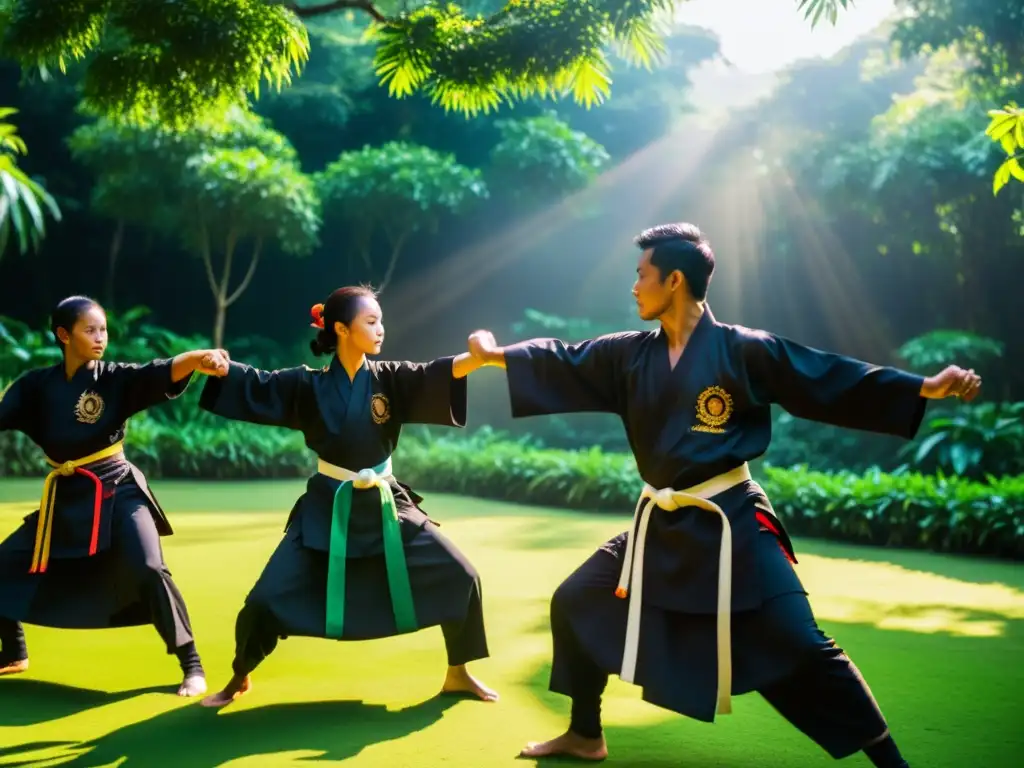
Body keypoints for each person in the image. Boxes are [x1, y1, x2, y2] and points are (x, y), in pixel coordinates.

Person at [466, 223, 981, 767]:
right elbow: (563, 358)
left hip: (732, 521)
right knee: (575, 599)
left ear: (675, 281)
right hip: (661, 524)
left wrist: (921, 387)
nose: (634, 286)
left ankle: (892, 764)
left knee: (801, 644)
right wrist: (497, 355)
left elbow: (826, 376)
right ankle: (585, 733)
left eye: (642, 275)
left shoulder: (744, 350)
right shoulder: (627, 355)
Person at [198, 285, 496, 708]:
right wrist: (220, 368)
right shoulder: (308, 385)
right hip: (327, 507)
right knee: (264, 600)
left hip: (385, 503)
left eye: (381, 321)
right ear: (341, 328)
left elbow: (438, 373)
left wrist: (478, 358)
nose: (381, 330)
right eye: (371, 322)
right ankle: (238, 676)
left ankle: (458, 673)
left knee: (461, 575)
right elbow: (259, 384)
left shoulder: (391, 378)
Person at [0, 295, 230, 696]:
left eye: (103, 329)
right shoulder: (35, 386)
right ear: (63, 335)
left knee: (148, 566)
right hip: (65, 498)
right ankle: (14, 651)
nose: (100, 337)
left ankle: (191, 664)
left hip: (116, 490)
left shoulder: (113, 379)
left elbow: (156, 373)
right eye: (90, 330)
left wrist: (197, 358)